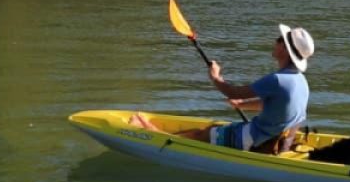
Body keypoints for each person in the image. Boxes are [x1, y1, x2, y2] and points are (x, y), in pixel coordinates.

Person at [134, 24, 315, 152]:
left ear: (284, 48)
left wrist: (215, 77)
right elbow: (275, 105)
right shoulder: (300, 80)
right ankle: (169, 135)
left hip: (256, 140)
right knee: (211, 129)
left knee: (201, 135)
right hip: (283, 140)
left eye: (278, 40)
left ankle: (155, 136)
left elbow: (231, 91)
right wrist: (242, 105)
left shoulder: (277, 79)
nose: (274, 43)